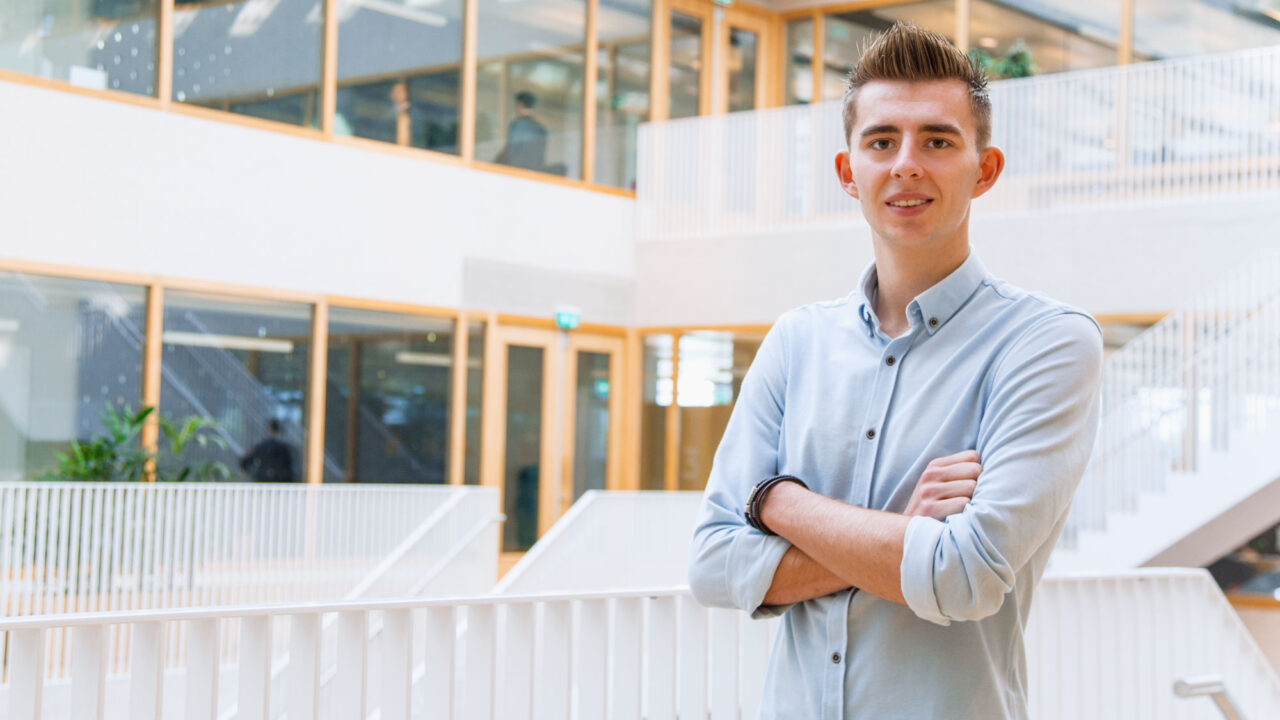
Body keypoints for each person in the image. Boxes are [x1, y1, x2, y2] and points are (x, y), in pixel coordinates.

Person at [688, 23, 1103, 719]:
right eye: (882, 142)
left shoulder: (1047, 343)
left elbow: (964, 577)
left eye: (937, 141)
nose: (906, 164)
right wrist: (902, 532)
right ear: (848, 172)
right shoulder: (796, 342)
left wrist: (775, 502)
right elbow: (712, 565)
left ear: (985, 169)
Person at [495, 91, 548, 172]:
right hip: (534, 172)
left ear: (520, 104)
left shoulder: (518, 125)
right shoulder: (541, 129)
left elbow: (510, 152)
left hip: (516, 171)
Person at [239, 418, 297, 483]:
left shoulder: (261, 446)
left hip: (264, 481)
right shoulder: (284, 448)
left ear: (268, 429)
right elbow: (289, 468)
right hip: (280, 482)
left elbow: (245, 462)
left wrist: (254, 473)